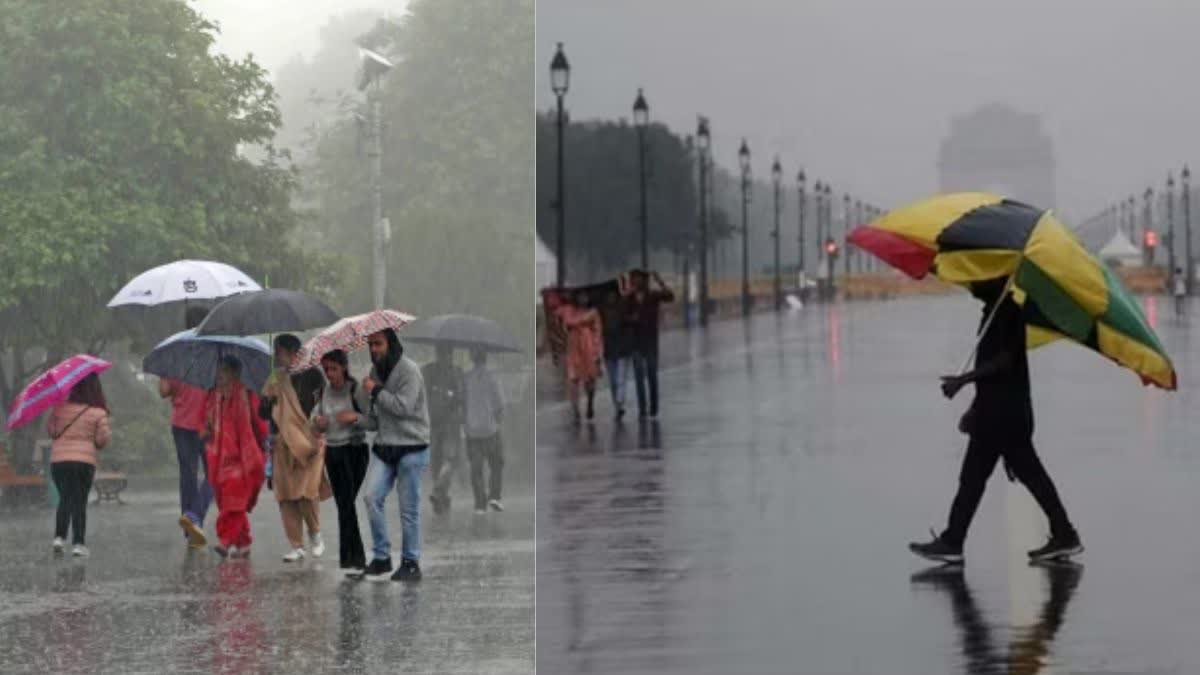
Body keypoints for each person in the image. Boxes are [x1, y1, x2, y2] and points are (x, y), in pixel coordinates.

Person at [909, 278, 1083, 564]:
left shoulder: (1008, 311)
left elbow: (1004, 361)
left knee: (1027, 477)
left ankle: (1064, 534)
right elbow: (991, 366)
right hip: (993, 414)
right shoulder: (993, 311)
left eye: (979, 280)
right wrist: (975, 408)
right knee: (974, 479)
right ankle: (954, 540)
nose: (972, 284)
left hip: (1007, 416)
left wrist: (963, 380)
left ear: (996, 282)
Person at [360, 328, 431, 582]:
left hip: (412, 446)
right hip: (385, 446)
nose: (374, 350)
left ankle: (411, 562)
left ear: (390, 343)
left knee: (408, 508)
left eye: (378, 344)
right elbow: (375, 420)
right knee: (371, 497)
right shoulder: (374, 372)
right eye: (370, 345)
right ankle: (381, 557)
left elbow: (403, 407)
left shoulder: (409, 370)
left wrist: (376, 391)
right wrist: (353, 418)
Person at [260, 334, 331, 563]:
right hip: (282, 443)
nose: (276, 356)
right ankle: (296, 545)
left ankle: (316, 534)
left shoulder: (314, 375)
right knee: (286, 496)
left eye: (279, 351)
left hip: (309, 440)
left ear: (293, 352)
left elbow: (325, 406)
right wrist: (267, 401)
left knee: (306, 492)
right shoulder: (275, 378)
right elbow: (263, 413)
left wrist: (320, 422)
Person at [202, 356, 268, 558]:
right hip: (219, 459)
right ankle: (243, 543)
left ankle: (226, 540)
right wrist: (208, 425)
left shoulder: (247, 395)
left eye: (224, 371)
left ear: (235, 373)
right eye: (219, 371)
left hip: (243, 458)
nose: (220, 375)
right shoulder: (213, 396)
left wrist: (265, 444)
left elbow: (261, 423)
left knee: (234, 503)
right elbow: (205, 426)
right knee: (227, 501)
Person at [311, 349, 370, 574]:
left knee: (347, 504)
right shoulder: (322, 393)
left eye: (333, 369)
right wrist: (318, 422)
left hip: (354, 452)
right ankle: (353, 560)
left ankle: (355, 559)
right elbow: (313, 420)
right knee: (344, 505)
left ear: (344, 367)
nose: (329, 374)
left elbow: (371, 421)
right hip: (333, 453)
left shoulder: (355, 391)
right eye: (326, 369)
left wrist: (354, 417)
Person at [159, 305, 213, 549]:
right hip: (209, 424)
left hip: (181, 423)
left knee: (187, 475)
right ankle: (195, 516)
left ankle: (190, 527)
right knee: (215, 474)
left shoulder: (174, 352)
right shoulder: (214, 351)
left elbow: (164, 391)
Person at [47, 373, 111, 557]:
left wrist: (55, 413)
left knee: (65, 497)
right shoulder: (98, 412)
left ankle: (59, 537)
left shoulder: (60, 408)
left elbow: (52, 431)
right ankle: (78, 543)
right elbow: (102, 440)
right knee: (79, 501)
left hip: (59, 462)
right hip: (83, 462)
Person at [625, 270, 675, 418]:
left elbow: (670, 296)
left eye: (639, 278)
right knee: (639, 376)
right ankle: (642, 408)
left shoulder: (653, 295)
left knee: (652, 375)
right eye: (634, 279)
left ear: (644, 280)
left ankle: (654, 406)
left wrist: (660, 282)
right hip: (635, 342)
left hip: (651, 341)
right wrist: (630, 319)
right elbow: (622, 317)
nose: (636, 281)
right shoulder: (628, 298)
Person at [422, 345, 464, 515]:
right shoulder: (455, 372)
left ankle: (441, 497)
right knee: (450, 460)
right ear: (449, 354)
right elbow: (461, 397)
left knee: (437, 460)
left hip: (433, 422)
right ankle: (439, 491)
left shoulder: (428, 371)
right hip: (449, 423)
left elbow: (422, 396)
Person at [464, 348, 506, 514]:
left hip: (472, 430)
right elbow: (500, 404)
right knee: (497, 463)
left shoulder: (465, 378)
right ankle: (494, 496)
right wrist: (498, 419)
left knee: (476, 469)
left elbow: (462, 402)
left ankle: (480, 504)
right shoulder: (493, 377)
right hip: (491, 429)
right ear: (486, 358)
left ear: (472, 358)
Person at [556, 290, 603, 422]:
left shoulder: (593, 312)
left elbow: (598, 332)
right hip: (573, 347)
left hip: (588, 347)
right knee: (573, 379)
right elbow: (557, 317)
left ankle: (590, 403)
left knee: (590, 380)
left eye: (586, 295)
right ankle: (575, 408)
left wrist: (597, 352)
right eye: (581, 295)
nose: (583, 298)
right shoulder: (568, 309)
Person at [600, 289, 634, 420]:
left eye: (613, 294)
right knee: (613, 380)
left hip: (622, 349)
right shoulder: (601, 310)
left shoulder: (623, 309)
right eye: (609, 294)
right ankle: (617, 404)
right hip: (609, 350)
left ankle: (619, 404)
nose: (611, 296)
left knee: (620, 379)